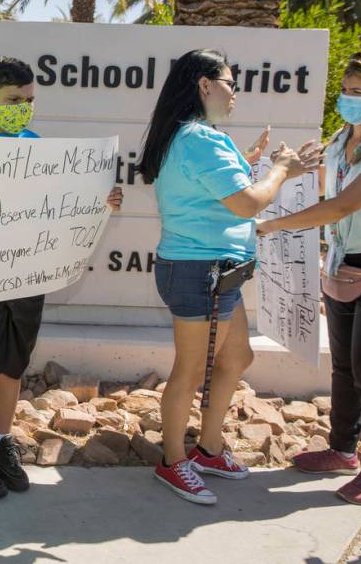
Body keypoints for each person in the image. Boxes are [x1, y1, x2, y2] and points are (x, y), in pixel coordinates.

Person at [0, 57, 123, 499]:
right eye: (13, 99)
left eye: (30, 100)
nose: (23, 107)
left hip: (26, 277)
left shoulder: (38, 146)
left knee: (12, 363)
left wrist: (101, 201)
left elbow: (61, 205)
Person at [137, 48, 320, 506]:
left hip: (216, 273)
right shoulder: (200, 139)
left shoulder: (194, 137)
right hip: (198, 271)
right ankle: (173, 461)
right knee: (191, 370)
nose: (235, 93)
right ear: (204, 85)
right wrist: (281, 169)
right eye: (230, 83)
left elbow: (215, 189)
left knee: (236, 358)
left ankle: (209, 449)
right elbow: (246, 204)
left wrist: (248, 159)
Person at [258, 52, 361, 505]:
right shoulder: (341, 138)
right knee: (345, 367)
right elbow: (318, 179)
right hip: (341, 266)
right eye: (344, 90)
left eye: (357, 93)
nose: (346, 99)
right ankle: (342, 450)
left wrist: (275, 224)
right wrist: (285, 165)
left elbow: (341, 206)